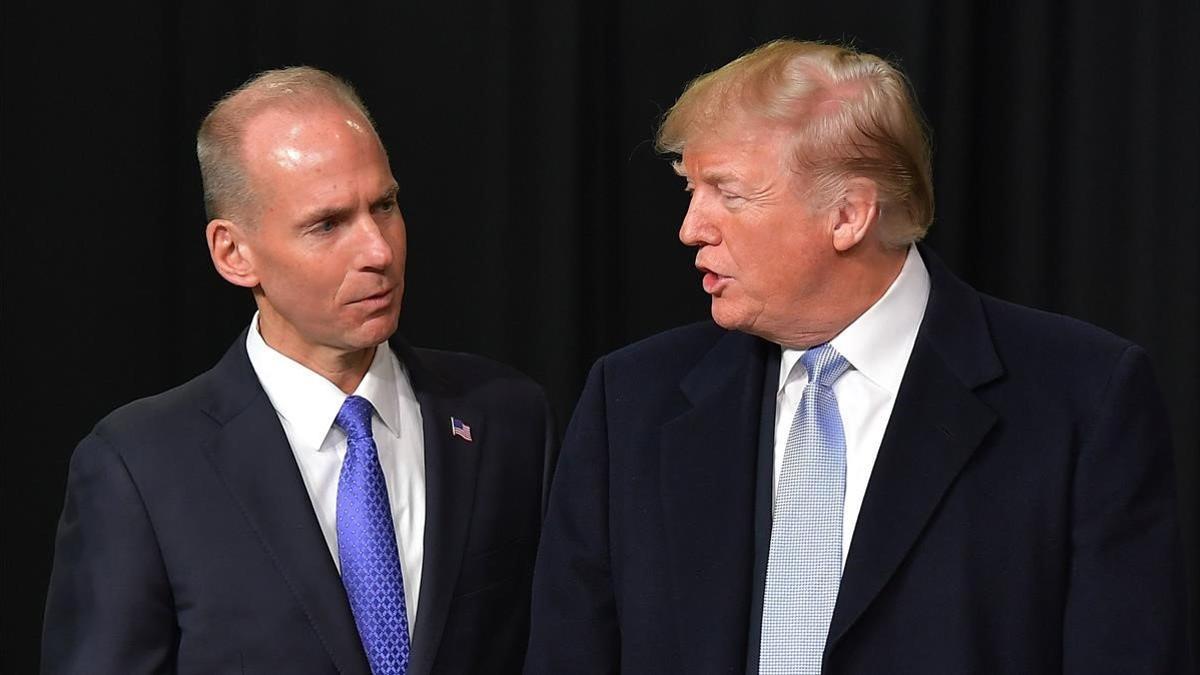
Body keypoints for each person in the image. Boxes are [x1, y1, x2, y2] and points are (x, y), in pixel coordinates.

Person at [525, 40, 1189, 673]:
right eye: (690, 190)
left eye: (728, 193)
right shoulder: (631, 401)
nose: (691, 227)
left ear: (848, 215)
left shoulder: (1083, 400)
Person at [43, 67, 557, 674]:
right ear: (234, 253)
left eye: (385, 206)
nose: (379, 251)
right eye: (328, 224)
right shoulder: (139, 466)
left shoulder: (506, 416)